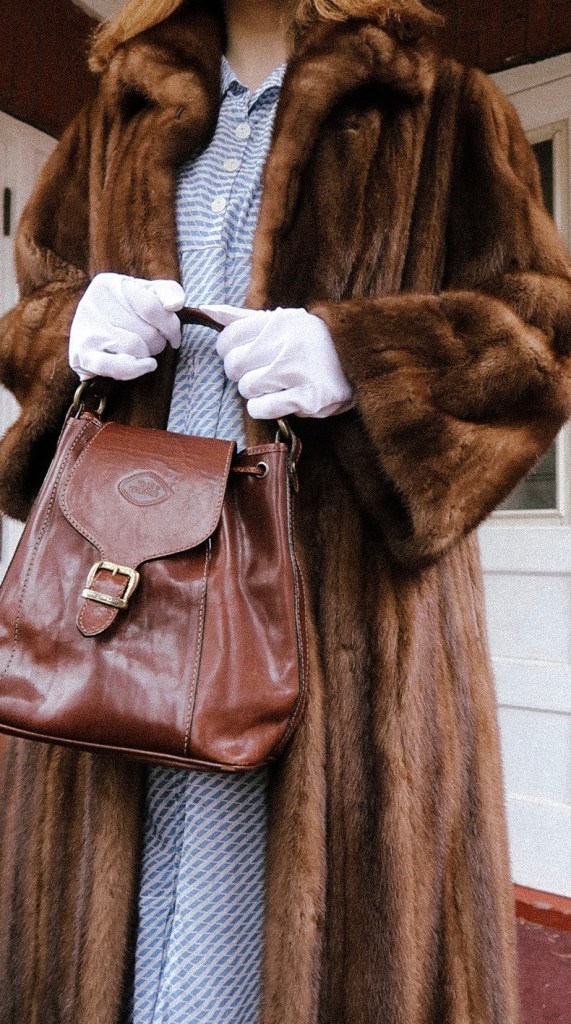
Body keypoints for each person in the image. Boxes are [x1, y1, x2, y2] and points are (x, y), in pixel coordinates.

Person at [0, 0, 570, 1022]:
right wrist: (67, 328)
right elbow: (37, 300)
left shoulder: (442, 107)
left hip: (340, 637)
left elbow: (540, 338)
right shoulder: (114, 115)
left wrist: (360, 358)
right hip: (118, 611)